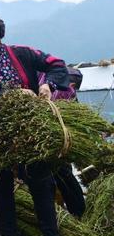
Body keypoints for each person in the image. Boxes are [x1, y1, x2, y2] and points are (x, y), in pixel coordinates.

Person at [0, 12, 69, 236]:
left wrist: (48, 86)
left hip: (32, 132)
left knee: (40, 183)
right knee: (3, 185)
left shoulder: (22, 53)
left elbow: (56, 65)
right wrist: (11, 93)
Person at [38, 68, 86, 217]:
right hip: (57, 141)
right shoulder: (65, 90)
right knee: (63, 177)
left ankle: (77, 211)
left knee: (61, 176)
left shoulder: (64, 91)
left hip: (55, 142)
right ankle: (77, 211)